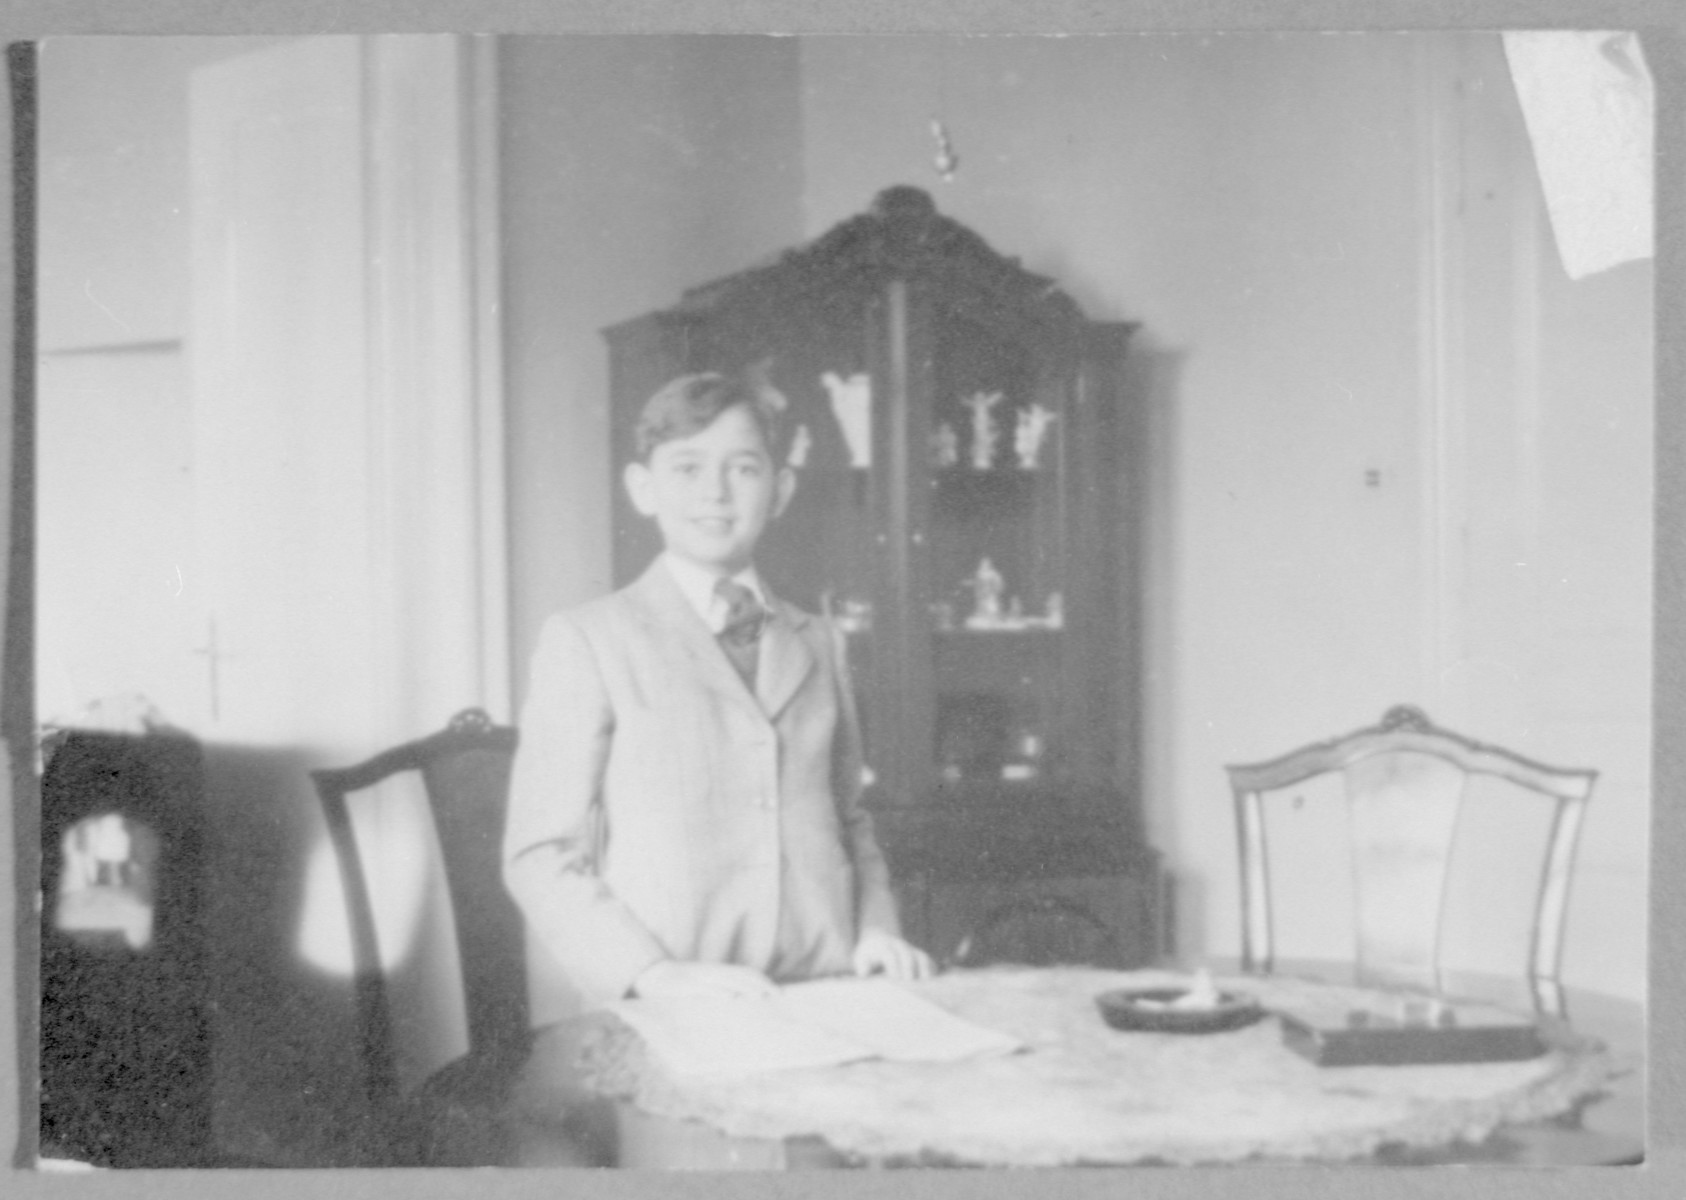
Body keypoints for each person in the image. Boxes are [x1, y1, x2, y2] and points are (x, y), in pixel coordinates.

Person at [503, 371, 932, 1009]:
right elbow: (541, 853)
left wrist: (876, 928)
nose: (716, 492)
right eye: (686, 468)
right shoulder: (590, 640)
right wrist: (650, 974)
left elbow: (850, 820)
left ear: (780, 489)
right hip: (680, 996)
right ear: (641, 489)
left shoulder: (819, 640)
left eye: (743, 469)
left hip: (829, 986)